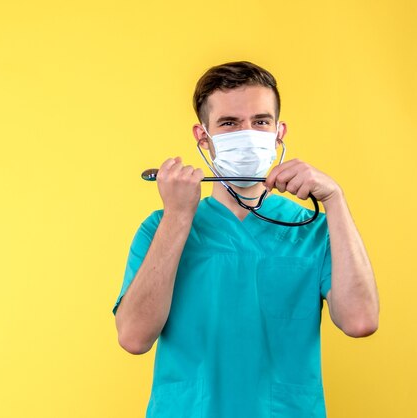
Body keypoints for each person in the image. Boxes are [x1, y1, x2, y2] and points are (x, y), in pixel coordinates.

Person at [113, 61, 379, 418]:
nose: (248, 132)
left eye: (260, 121)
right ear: (203, 137)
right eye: (229, 123)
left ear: (279, 132)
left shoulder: (313, 227)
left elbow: (361, 321)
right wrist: (178, 216)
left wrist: (335, 199)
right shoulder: (160, 228)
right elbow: (133, 337)